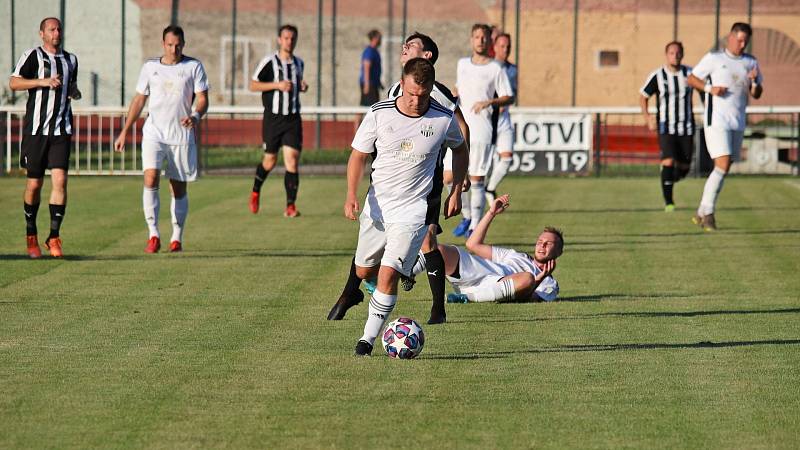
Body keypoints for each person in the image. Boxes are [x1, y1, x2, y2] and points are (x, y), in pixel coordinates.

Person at [327, 32, 471, 325]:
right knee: (369, 262)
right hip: (386, 182)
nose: (405, 48)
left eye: (412, 45)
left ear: (427, 56)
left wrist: (456, 181)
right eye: (405, 45)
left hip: (423, 184)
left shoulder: (436, 92)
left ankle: (437, 308)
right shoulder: (394, 90)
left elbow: (460, 132)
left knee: (428, 239)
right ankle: (362, 286)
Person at [114, 25, 209, 253]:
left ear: (183, 44)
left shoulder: (193, 67)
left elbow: (203, 98)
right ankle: (153, 234)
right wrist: (125, 130)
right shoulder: (150, 67)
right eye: (169, 45)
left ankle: (176, 237)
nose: (173, 49)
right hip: (154, 133)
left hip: (181, 135)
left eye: (177, 45)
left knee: (178, 188)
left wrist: (195, 116)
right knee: (151, 177)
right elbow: (139, 101)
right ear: (163, 44)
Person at [10, 17, 80, 258]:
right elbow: (13, 83)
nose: (56, 32)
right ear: (42, 33)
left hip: (61, 131)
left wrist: (74, 91)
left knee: (60, 181)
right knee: (34, 184)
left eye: (59, 28)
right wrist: (42, 81)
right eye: (51, 29)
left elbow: (70, 86)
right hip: (36, 132)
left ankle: (54, 237)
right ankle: (31, 235)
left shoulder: (71, 59)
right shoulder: (33, 56)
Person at [411, 194, 561, 304]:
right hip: (478, 270)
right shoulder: (515, 256)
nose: (542, 245)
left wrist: (540, 277)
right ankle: (407, 274)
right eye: (540, 241)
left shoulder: (550, 283)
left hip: (497, 286)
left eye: (549, 243)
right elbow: (472, 245)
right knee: (440, 250)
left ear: (558, 252)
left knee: (527, 278)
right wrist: (491, 213)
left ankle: (467, 298)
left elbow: (526, 298)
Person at [686, 23, 763, 231]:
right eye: (739, 40)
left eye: (745, 40)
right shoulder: (715, 58)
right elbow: (692, 78)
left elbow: (756, 94)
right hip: (716, 119)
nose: (742, 44)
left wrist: (755, 83)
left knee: (725, 167)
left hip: (737, 121)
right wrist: (710, 89)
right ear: (730, 38)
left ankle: (701, 211)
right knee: (722, 163)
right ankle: (709, 213)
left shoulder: (750, 62)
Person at [453, 23, 514, 238]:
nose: (480, 40)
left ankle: (475, 227)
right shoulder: (462, 64)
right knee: (451, 177)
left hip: (482, 130)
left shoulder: (496, 68)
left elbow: (509, 96)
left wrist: (489, 102)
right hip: (459, 129)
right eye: (476, 36)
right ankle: (468, 215)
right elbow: (458, 90)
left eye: (484, 37)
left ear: (489, 41)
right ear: (471, 39)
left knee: (477, 179)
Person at [248, 24, 309, 218]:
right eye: (286, 38)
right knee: (270, 161)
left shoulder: (299, 63)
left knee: (292, 161)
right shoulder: (269, 61)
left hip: (292, 118)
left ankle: (290, 206)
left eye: (292, 38)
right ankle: (256, 189)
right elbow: (253, 85)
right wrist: (277, 85)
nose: (289, 42)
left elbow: (296, 84)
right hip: (273, 119)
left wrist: (302, 86)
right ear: (279, 40)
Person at [640, 41, 696, 212]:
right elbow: (643, 96)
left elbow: (704, 91)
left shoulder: (691, 74)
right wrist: (647, 117)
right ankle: (669, 202)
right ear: (666, 55)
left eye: (678, 53)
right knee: (669, 161)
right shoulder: (658, 75)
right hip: (666, 127)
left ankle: (670, 175)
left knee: (685, 167)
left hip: (686, 126)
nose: (675, 56)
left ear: (683, 54)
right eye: (672, 53)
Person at [485, 32, 518, 203]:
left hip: (504, 119)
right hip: (487, 119)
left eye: (508, 46)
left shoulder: (513, 69)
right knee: (485, 163)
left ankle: (489, 189)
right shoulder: (487, 67)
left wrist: (507, 101)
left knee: (507, 158)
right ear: (494, 47)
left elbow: (514, 93)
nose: (505, 49)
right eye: (502, 46)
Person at [360, 29, 383, 106]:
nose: (381, 40)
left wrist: (379, 82)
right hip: (369, 84)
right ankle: (358, 118)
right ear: (375, 38)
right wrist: (367, 84)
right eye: (380, 37)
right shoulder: (369, 51)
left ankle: (357, 118)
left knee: (363, 105)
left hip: (373, 83)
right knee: (372, 106)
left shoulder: (375, 51)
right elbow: (366, 67)